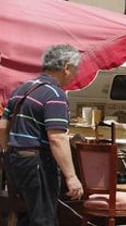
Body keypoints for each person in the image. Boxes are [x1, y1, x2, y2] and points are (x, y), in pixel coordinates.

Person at [0, 44, 84, 226]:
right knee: (43, 219)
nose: (75, 75)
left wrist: (8, 152)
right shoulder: (55, 94)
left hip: (16, 161)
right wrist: (71, 177)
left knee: (29, 215)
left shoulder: (21, 90)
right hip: (38, 162)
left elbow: (2, 126)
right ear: (67, 67)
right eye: (75, 70)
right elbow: (57, 138)